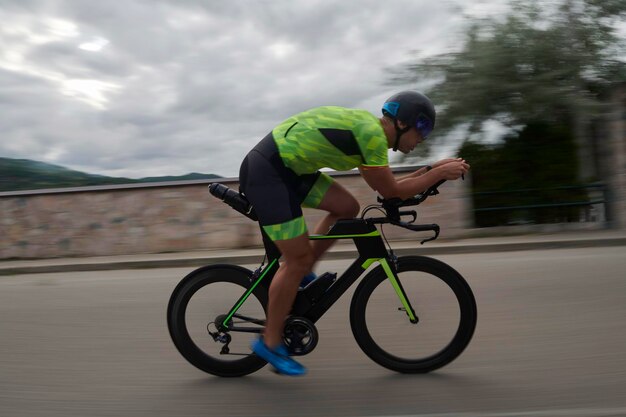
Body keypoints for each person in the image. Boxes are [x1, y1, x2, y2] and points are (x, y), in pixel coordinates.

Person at [238, 91, 469, 376]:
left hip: (290, 169)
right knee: (294, 262)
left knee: (347, 207)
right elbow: (392, 192)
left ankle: (303, 268)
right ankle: (269, 343)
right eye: (422, 128)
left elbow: (390, 186)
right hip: (269, 172)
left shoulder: (370, 135)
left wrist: (434, 168)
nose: (423, 138)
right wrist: (436, 174)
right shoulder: (371, 136)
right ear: (402, 123)